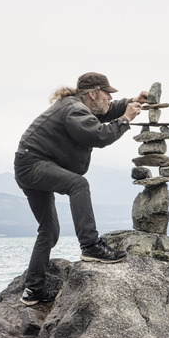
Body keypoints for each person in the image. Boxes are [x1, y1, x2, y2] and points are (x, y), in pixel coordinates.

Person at [14, 72, 148, 305]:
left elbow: (106, 110)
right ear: (93, 93)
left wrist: (132, 101)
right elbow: (98, 135)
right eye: (106, 93)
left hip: (30, 164)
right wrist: (125, 120)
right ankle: (91, 246)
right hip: (34, 164)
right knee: (78, 184)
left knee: (49, 230)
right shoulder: (74, 110)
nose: (109, 97)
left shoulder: (79, 105)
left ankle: (33, 291)